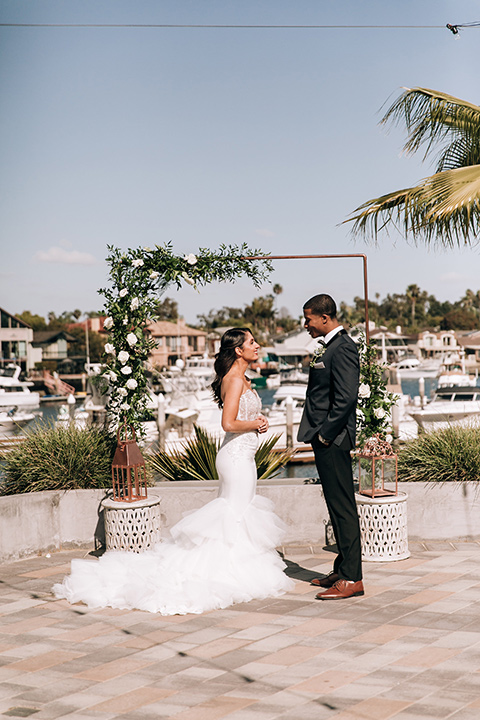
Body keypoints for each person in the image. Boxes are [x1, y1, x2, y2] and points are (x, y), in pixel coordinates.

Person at [53, 328, 294, 615]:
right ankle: (225, 572)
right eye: (252, 343)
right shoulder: (232, 379)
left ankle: (230, 567)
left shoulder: (244, 378)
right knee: (236, 514)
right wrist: (255, 424)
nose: (257, 346)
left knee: (238, 514)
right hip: (236, 458)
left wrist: (257, 420)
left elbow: (240, 417)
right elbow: (228, 423)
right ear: (239, 350)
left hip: (243, 457)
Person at [297, 294, 363, 600]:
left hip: (333, 440)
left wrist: (325, 434)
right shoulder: (330, 346)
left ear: (325, 317)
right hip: (326, 438)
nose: (305, 324)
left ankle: (352, 578)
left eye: (308, 319)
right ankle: (342, 567)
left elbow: (346, 398)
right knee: (335, 507)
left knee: (343, 508)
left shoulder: (343, 347)